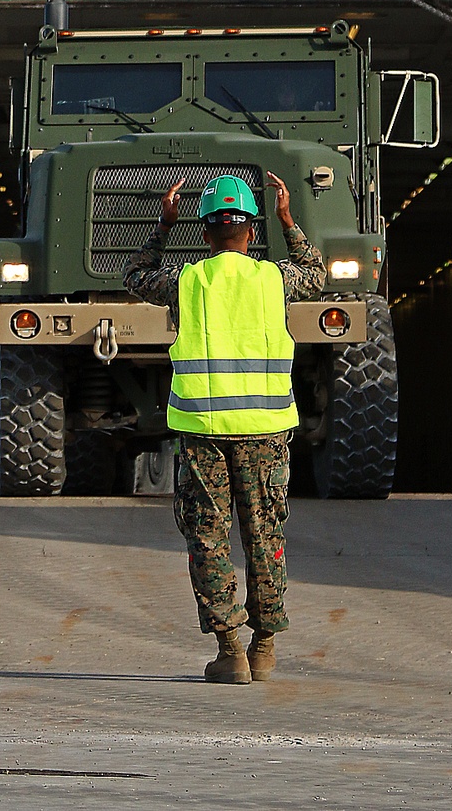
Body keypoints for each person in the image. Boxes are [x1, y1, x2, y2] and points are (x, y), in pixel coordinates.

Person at [124, 171, 325, 685]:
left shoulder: (186, 282)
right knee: (264, 534)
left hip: (203, 431)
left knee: (208, 538)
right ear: (253, 233)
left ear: (205, 234)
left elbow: (136, 274)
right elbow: (315, 271)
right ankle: (264, 647)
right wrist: (288, 219)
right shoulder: (277, 279)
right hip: (265, 429)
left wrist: (162, 227)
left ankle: (230, 649)